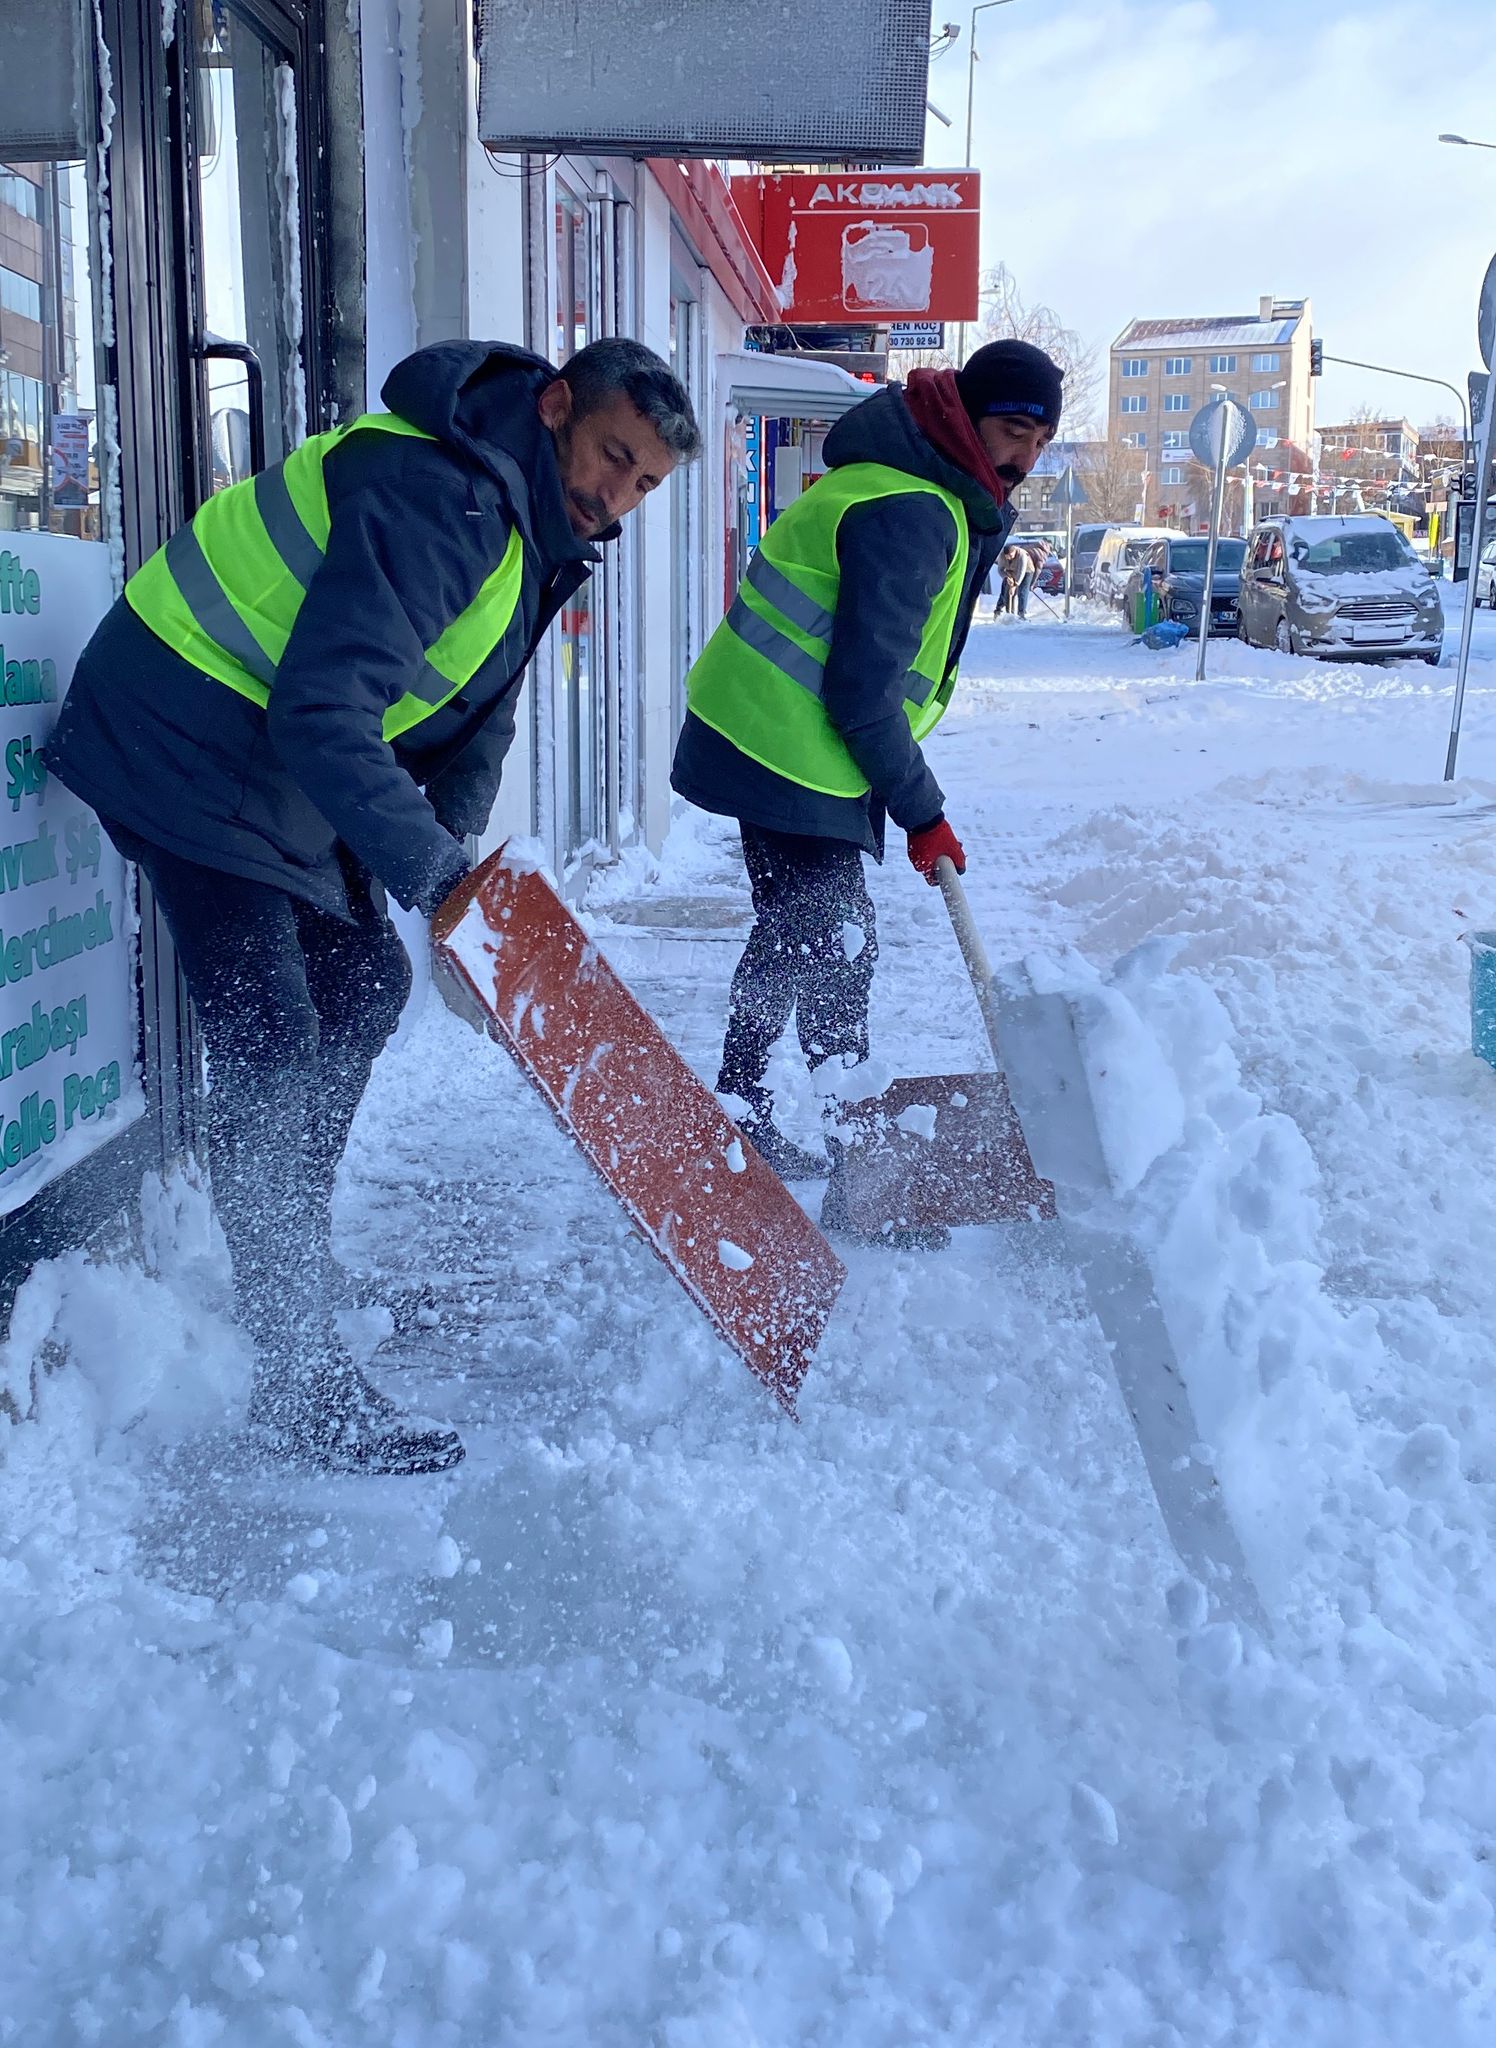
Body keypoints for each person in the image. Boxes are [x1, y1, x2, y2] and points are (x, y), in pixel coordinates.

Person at [48, 338, 700, 1473]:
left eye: (642, 481)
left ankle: (283, 1241)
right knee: (274, 1028)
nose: (617, 497)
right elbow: (323, 711)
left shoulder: (525, 525)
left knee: (362, 984)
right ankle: (297, 1373)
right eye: (611, 456)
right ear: (554, 409)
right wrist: (435, 878)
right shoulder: (443, 499)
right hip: (176, 727)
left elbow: (472, 723)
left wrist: (449, 878)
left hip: (253, 745)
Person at [671, 338, 1061, 1182]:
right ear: (966, 414)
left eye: (1040, 440)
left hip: (781, 738)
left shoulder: (910, 486)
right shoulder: (910, 509)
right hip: (788, 745)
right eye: (1011, 429)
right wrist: (923, 809)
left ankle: (738, 1114)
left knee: (796, 932)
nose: (1024, 455)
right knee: (836, 941)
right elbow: (863, 690)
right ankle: (859, 1163)